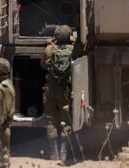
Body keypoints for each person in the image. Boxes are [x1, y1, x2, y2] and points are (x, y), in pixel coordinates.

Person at [41, 25, 75, 165]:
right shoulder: (73, 49)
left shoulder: (49, 49)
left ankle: (53, 154)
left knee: (50, 120)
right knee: (66, 121)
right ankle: (64, 155)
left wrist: (49, 46)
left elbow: (43, 65)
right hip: (65, 90)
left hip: (50, 89)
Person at [0, 58, 16, 167]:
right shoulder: (3, 83)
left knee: (2, 152)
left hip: (2, 125)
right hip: (1, 124)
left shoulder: (5, 86)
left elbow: (5, 110)